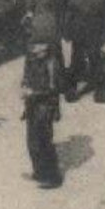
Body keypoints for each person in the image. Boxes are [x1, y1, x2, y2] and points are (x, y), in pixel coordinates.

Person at [21, 41, 64, 189]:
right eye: (34, 45)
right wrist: (24, 86)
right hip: (32, 106)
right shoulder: (32, 60)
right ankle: (39, 172)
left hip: (45, 107)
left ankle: (53, 177)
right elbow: (26, 78)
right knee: (32, 142)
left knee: (44, 141)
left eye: (40, 45)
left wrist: (33, 93)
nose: (36, 49)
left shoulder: (52, 64)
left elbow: (53, 90)